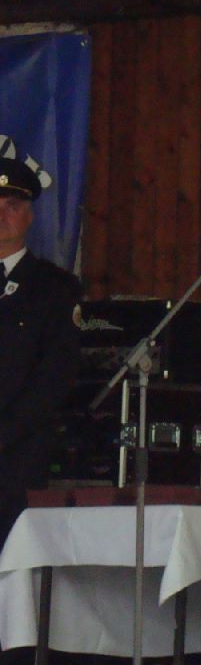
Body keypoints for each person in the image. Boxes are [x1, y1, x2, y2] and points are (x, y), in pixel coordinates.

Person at [0, 157, 81, 547]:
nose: (1, 215)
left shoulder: (55, 288)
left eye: (12, 206)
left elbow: (54, 379)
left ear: (30, 216)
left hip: (16, 461)